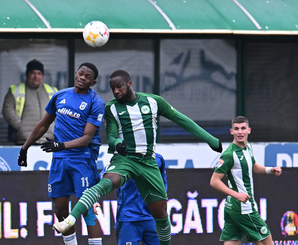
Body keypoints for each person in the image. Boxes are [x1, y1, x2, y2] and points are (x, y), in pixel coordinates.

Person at [53, 69, 223, 245]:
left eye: (119, 87)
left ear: (129, 83)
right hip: (124, 160)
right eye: (113, 89)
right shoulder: (111, 108)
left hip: (147, 162)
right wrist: (117, 143)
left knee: (161, 213)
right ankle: (70, 220)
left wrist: (210, 140)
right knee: (106, 182)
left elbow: (181, 119)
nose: (116, 92)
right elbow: (110, 136)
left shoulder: (153, 101)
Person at [17, 63, 105, 245]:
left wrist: (61, 145)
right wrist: (25, 148)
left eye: (87, 76)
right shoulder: (60, 96)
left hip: (82, 160)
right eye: (80, 74)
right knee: (60, 209)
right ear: (75, 74)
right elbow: (43, 125)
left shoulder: (96, 103)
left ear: (93, 82)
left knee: (87, 209)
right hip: (59, 161)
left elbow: (87, 137)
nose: (82, 78)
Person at [210, 116, 282, 245]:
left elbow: (253, 167)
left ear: (249, 130)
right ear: (231, 132)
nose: (240, 132)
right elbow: (214, 181)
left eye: (243, 128)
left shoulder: (248, 147)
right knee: (266, 241)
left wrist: (270, 170)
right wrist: (237, 195)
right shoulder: (229, 154)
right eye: (236, 129)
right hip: (243, 207)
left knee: (232, 242)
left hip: (232, 208)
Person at [94, 153, 167, 245]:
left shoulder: (158, 159)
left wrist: (160, 209)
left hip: (153, 217)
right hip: (128, 218)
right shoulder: (120, 159)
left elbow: (163, 185)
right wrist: (94, 199)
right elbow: (102, 179)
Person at [2, 59, 58, 145]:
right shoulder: (15, 91)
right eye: (32, 73)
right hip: (24, 141)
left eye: (39, 73)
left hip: (48, 141)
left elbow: (61, 112)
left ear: (43, 76)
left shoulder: (53, 91)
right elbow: (7, 111)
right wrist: (21, 127)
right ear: (27, 75)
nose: (36, 76)